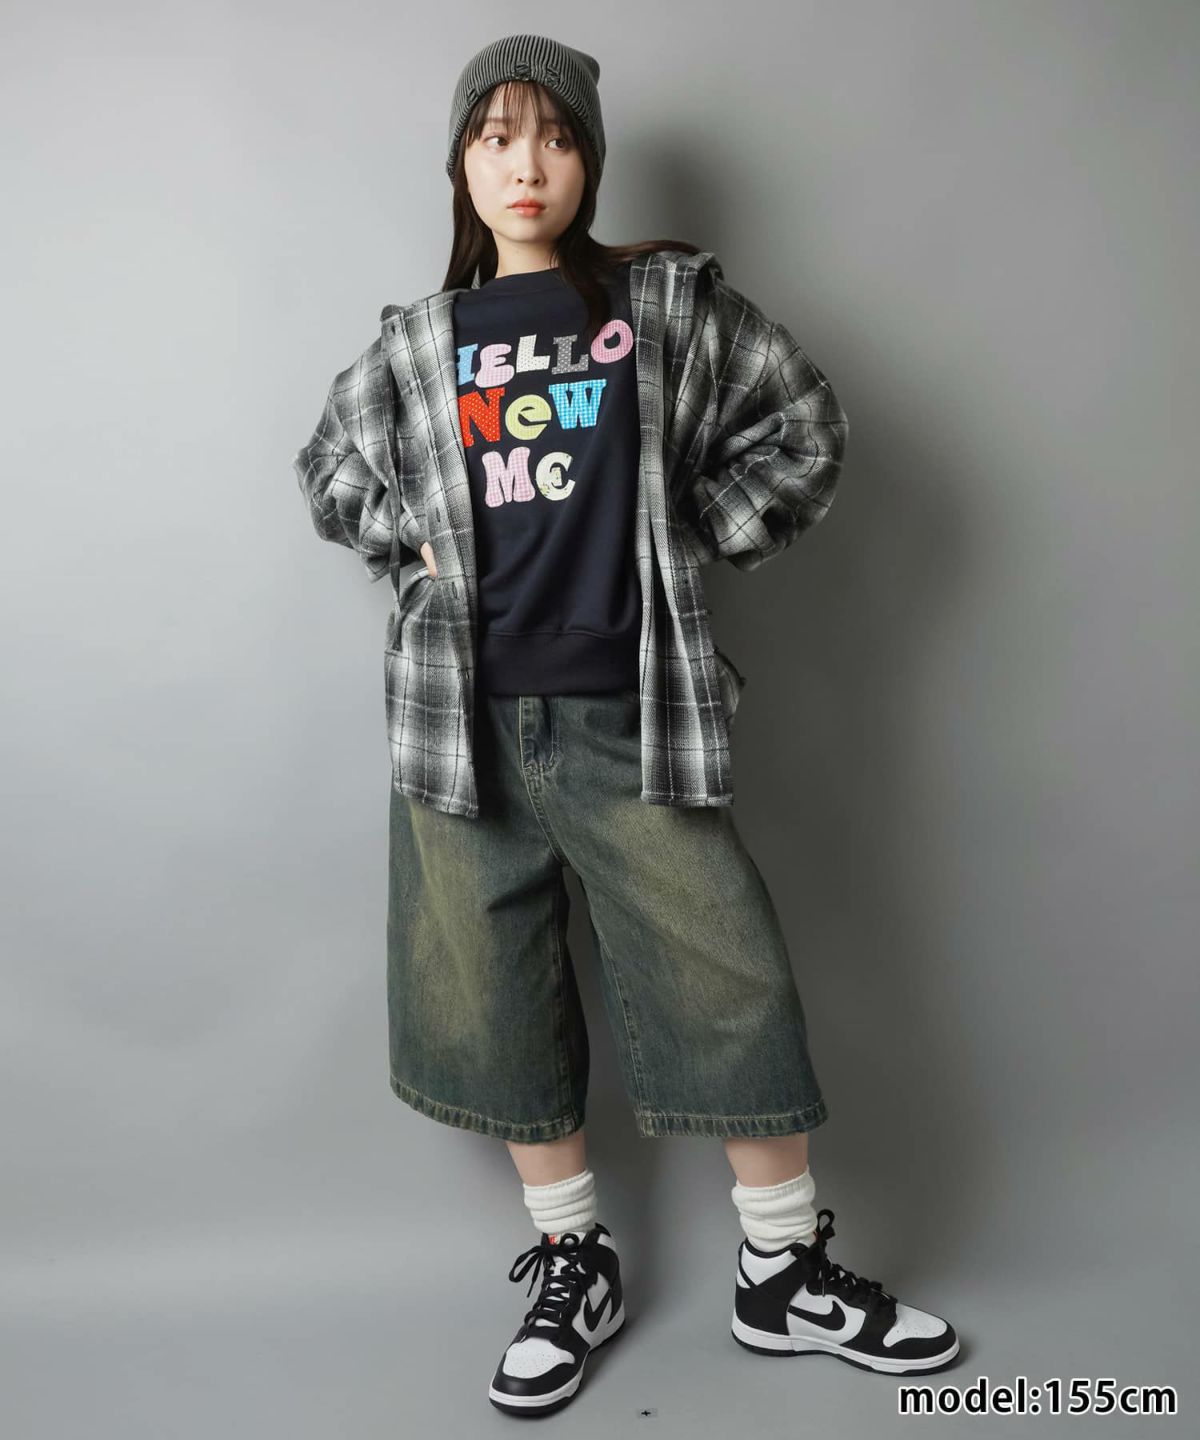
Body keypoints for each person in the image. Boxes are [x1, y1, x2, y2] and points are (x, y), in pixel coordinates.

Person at [293, 31, 960, 1418]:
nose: (524, 165)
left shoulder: (663, 307)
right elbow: (329, 471)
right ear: (462, 164)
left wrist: (688, 534)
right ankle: (572, 1261)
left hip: (635, 715)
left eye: (553, 136)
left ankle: (782, 1274)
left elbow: (803, 428)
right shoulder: (418, 344)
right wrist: (414, 552)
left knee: (726, 973)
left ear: (587, 160)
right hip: (461, 727)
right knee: (490, 991)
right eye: (495, 138)